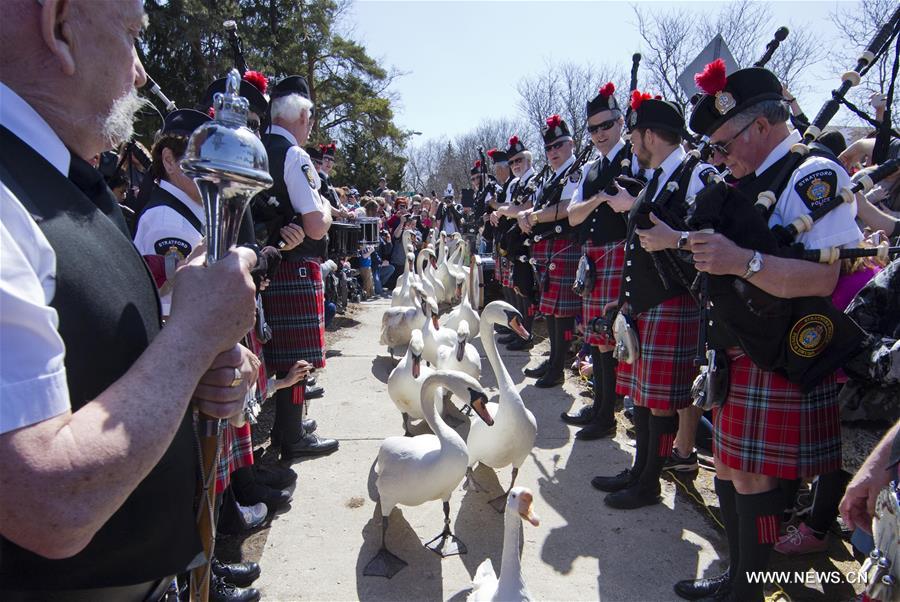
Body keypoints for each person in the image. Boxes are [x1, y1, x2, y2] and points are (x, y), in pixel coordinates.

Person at [0, 0, 259, 597]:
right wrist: (193, 337)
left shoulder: (60, 183)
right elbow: (46, 502)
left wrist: (192, 370)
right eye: (134, 35)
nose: (141, 72)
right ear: (60, 25)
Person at [670, 62, 862, 602]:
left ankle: (750, 590)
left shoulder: (813, 175)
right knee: (729, 467)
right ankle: (737, 576)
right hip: (738, 342)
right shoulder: (744, 179)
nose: (718, 156)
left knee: (754, 477)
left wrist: (740, 262)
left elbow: (826, 275)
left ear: (759, 125)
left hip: (780, 350)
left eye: (724, 142)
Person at [589, 93, 714, 510]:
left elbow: (708, 238)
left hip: (673, 301)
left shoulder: (697, 175)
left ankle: (649, 482)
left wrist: (673, 237)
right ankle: (641, 470)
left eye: (636, 135)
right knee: (643, 398)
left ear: (649, 135)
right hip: (645, 302)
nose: (632, 143)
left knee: (660, 402)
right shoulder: (658, 175)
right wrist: (624, 301)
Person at [252, 75, 338, 460]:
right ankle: (291, 436)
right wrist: (327, 212)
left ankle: (292, 426)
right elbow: (316, 224)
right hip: (293, 267)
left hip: (261, 264)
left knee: (280, 353)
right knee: (296, 356)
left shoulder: (254, 147)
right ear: (302, 116)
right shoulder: (294, 155)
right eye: (311, 118)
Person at [565, 82, 646, 440]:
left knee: (612, 337)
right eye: (593, 128)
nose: (599, 134)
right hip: (595, 257)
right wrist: (599, 198)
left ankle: (609, 412)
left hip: (622, 254)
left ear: (620, 123)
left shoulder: (638, 158)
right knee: (597, 338)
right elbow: (572, 216)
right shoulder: (592, 169)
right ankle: (601, 407)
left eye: (606, 125)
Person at [517, 114, 582, 388]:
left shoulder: (576, 171)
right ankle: (553, 358)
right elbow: (543, 207)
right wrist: (527, 215)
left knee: (563, 310)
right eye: (549, 148)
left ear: (571, 144)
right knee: (551, 310)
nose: (553, 152)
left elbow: (566, 207)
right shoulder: (552, 175)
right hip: (548, 247)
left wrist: (532, 217)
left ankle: (558, 366)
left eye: (559, 145)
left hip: (565, 244)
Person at [492, 134, 538, 350]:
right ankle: (519, 330)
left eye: (519, 160)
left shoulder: (533, 180)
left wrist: (501, 210)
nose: (515, 165)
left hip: (527, 243)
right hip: (515, 242)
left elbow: (522, 208)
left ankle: (526, 335)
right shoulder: (519, 183)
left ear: (528, 160)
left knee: (524, 291)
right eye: (512, 162)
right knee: (516, 289)